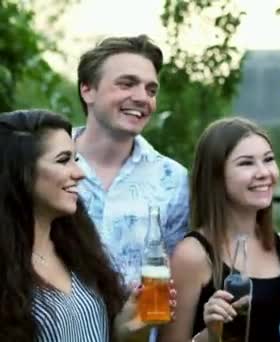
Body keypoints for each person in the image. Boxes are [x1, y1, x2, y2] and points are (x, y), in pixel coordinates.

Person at [0, 109, 154, 341]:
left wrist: (126, 328)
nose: (79, 173)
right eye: (63, 160)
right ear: (19, 171)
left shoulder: (78, 248)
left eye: (76, 159)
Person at [158, 117, 280, 342]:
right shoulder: (192, 255)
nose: (263, 172)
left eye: (268, 160)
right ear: (216, 176)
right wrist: (210, 334)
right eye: (246, 163)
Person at [74, 35, 189, 287]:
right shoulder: (42, 163)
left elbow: (175, 280)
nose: (142, 98)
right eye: (127, 84)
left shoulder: (174, 180)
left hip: (140, 325)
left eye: (151, 90)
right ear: (87, 90)